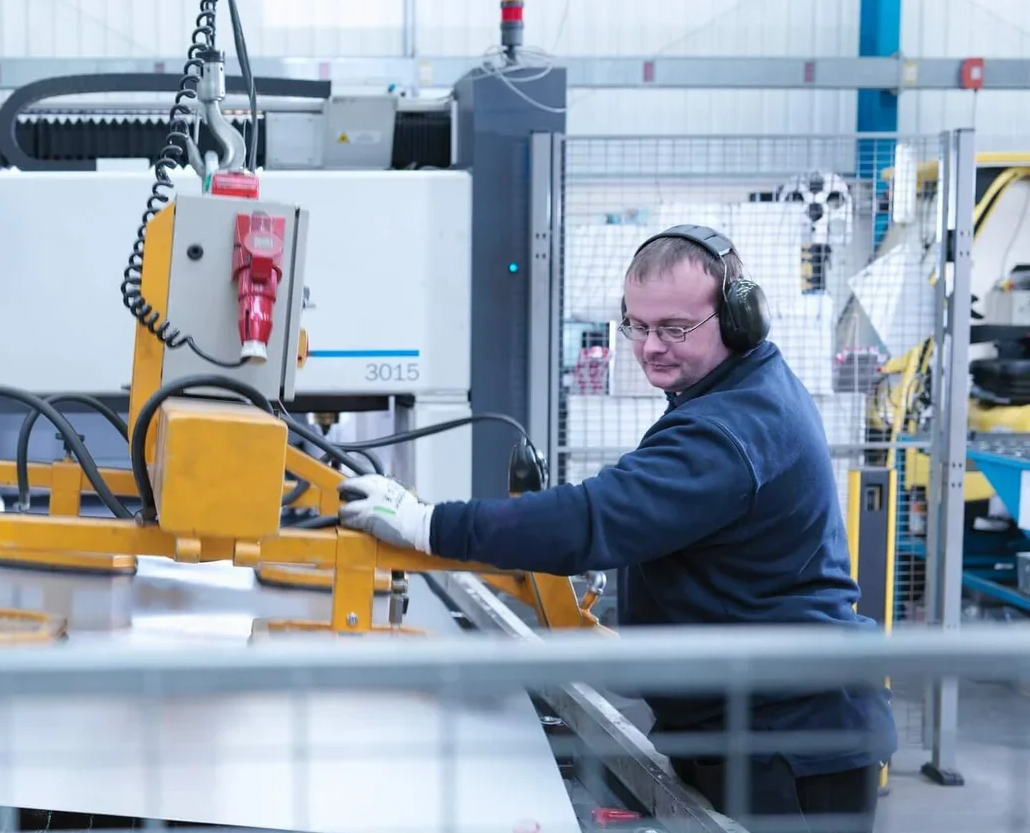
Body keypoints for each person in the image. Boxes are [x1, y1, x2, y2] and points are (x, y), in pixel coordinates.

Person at [337, 223, 895, 833]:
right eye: (637, 325)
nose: (651, 346)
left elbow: (593, 518)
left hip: (789, 742)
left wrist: (426, 523)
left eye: (675, 328)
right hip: (752, 723)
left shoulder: (731, 428)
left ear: (738, 318)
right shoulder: (731, 392)